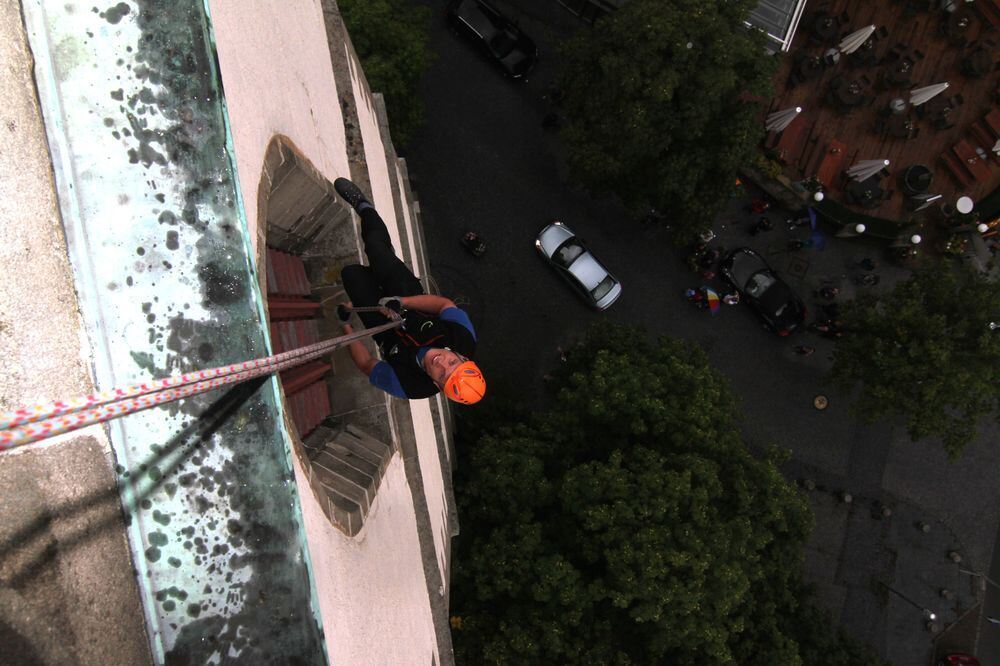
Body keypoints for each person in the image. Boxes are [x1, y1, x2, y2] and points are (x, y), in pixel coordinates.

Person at [333, 178, 485, 405]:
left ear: (438, 385)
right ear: (460, 356)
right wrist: (403, 301)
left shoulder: (410, 385)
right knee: (376, 247)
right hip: (410, 299)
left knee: (351, 275)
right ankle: (364, 207)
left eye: (443, 375)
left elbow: (367, 364)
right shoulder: (463, 339)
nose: (441, 363)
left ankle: (375, 273)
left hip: (385, 331)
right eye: (453, 363)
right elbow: (444, 306)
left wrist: (345, 326)